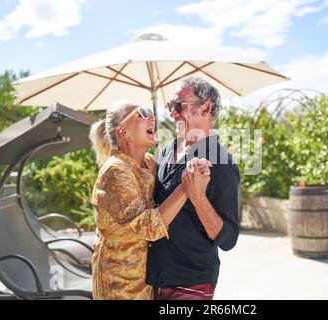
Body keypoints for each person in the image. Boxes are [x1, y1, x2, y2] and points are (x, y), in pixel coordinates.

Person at [89, 100, 210, 300]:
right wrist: (187, 187)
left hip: (146, 280)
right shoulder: (115, 170)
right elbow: (146, 226)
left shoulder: (149, 163)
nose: (151, 117)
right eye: (141, 114)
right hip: (119, 285)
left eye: (150, 112)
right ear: (123, 132)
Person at [147, 77, 240, 300]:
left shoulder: (221, 162)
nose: (172, 114)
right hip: (156, 278)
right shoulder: (168, 149)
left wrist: (198, 198)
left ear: (205, 107)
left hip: (192, 283)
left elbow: (228, 240)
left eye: (179, 106)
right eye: (170, 106)